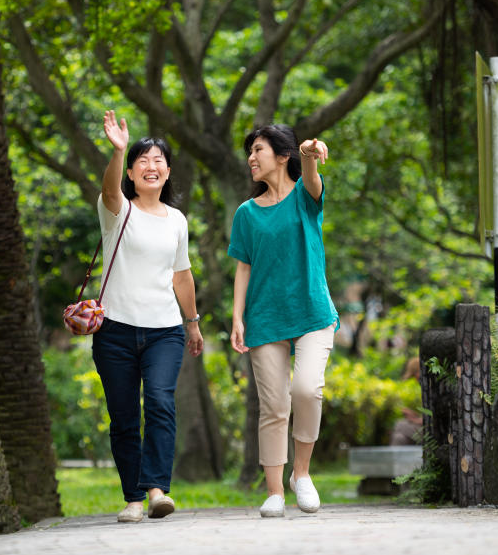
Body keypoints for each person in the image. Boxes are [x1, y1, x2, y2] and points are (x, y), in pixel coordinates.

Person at [94, 110, 204, 523]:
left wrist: (192, 324)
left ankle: (158, 489)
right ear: (132, 172)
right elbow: (109, 189)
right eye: (143, 160)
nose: (151, 165)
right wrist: (118, 151)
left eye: (159, 160)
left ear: (168, 171)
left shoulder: (177, 220)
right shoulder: (117, 210)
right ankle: (133, 499)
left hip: (164, 332)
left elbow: (182, 275)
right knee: (124, 417)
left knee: (159, 403)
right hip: (115, 331)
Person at [228, 124, 339, 518]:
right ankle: (275, 491)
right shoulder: (246, 213)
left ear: (282, 155)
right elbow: (243, 268)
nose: (251, 158)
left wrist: (310, 152)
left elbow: (311, 176)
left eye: (258, 150)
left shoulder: (306, 199)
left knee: (308, 390)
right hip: (264, 317)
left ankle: (301, 474)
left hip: (312, 312)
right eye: (249, 152)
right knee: (273, 406)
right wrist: (237, 317)